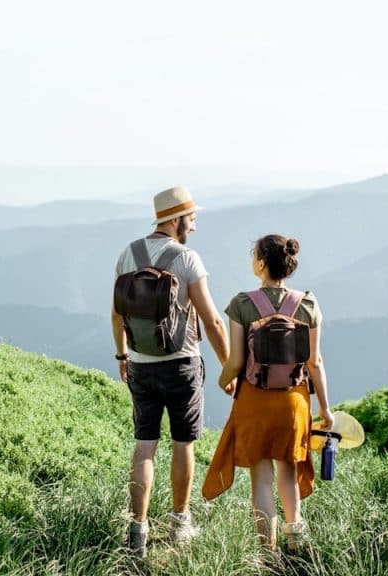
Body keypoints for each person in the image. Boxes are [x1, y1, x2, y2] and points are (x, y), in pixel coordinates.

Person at [111, 186, 230, 558]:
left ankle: (138, 529)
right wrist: (231, 367)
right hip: (182, 364)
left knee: (145, 445)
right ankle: (180, 524)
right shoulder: (187, 258)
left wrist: (122, 356)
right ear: (176, 219)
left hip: (142, 365)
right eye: (191, 219)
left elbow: (117, 314)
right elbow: (211, 319)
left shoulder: (128, 254)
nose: (193, 226)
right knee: (183, 443)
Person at [201, 234, 334, 554]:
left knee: (261, 479)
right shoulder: (309, 304)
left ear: (260, 263)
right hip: (294, 401)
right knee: (288, 471)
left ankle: (267, 552)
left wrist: (223, 382)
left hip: (255, 401)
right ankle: (295, 540)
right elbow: (315, 363)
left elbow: (235, 362)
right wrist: (325, 409)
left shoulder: (242, 305)